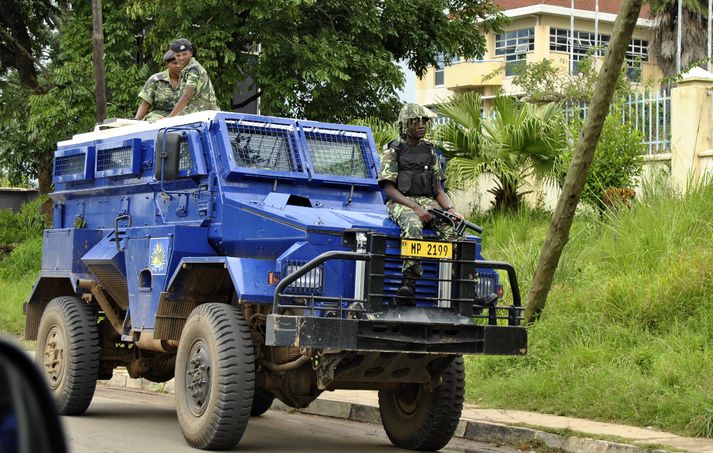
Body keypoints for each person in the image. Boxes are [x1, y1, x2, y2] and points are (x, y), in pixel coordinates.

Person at [378, 103, 464, 299]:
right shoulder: (394, 152)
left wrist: (451, 210)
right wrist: (415, 208)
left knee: (453, 228)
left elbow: (438, 190)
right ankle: (409, 282)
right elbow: (389, 189)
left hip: (427, 201)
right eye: (416, 121)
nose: (422, 125)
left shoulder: (430, 152)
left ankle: (467, 287)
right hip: (401, 202)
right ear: (405, 125)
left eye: (424, 121)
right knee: (413, 225)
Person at [168, 38, 219, 117]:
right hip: (197, 115)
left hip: (203, 117)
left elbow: (187, 95)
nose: (181, 58)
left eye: (185, 54)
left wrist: (170, 118)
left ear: (191, 53)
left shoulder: (193, 69)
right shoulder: (187, 69)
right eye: (178, 55)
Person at [135, 50, 183, 121]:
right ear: (167, 64)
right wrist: (135, 123)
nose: (178, 66)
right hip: (158, 118)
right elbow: (145, 104)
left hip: (183, 117)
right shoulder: (156, 80)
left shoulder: (191, 79)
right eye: (175, 63)